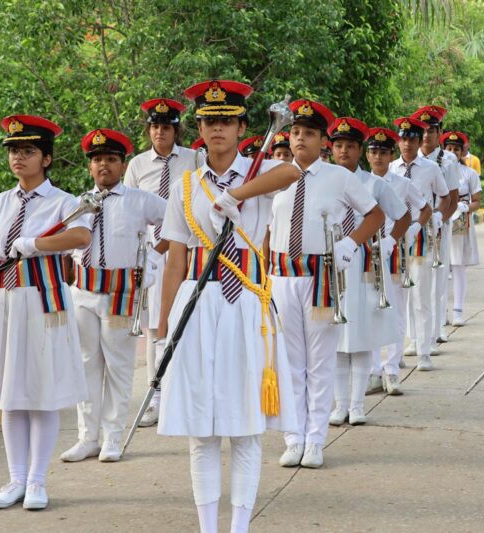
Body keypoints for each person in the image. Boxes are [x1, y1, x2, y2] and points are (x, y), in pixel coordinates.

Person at [156, 79, 299, 533]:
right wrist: (162, 331)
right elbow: (175, 259)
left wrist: (238, 194)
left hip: (245, 310)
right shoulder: (186, 186)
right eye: (208, 121)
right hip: (197, 304)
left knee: (245, 427)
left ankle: (238, 527)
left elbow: (292, 172)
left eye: (226, 121)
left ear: (241, 128)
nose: (216, 128)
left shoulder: (259, 173)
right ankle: (207, 527)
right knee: (202, 429)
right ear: (198, 128)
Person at [0, 115, 92, 510]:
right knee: (11, 395)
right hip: (4, 302)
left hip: (43, 302)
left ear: (47, 159)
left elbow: (81, 236)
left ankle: (37, 481)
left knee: (42, 394)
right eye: (14, 151)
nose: (18, 157)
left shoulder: (64, 203)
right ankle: (15, 479)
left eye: (28, 151)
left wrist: (36, 243)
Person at [269, 99, 384, 469]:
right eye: (296, 132)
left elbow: (375, 214)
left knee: (319, 362)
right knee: (289, 362)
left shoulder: (339, 177)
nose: (301, 139)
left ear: (323, 141)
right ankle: (293, 437)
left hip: (321, 275)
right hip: (281, 273)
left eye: (310, 134)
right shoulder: (274, 174)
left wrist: (351, 242)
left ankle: (315, 439)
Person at [60, 129, 166, 464]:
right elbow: (66, 242)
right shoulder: (78, 202)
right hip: (84, 290)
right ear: (90, 167)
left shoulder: (140, 199)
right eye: (97, 159)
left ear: (122, 164)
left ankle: (113, 437)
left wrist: (153, 257)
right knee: (86, 365)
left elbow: (178, 223)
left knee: (118, 366)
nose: (103, 165)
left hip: (122, 291)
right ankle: (87, 437)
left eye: (111, 159)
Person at [327, 117, 408, 425]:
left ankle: (358, 404)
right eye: (338, 145)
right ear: (331, 148)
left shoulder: (375, 184)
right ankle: (340, 404)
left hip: (365, 265)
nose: (343, 151)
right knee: (336, 338)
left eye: (349, 146)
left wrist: (389, 241)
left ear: (359, 150)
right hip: (333, 264)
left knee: (362, 335)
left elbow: (402, 215)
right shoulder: (325, 180)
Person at [124, 97, 200, 428]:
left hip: (187, 245)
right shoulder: (137, 165)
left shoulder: (194, 158)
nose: (159, 132)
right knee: (156, 326)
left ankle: (183, 391)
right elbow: (127, 209)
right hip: (151, 252)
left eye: (166, 127)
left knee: (187, 319)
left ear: (176, 130)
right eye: (154, 126)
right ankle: (156, 395)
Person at [366, 127, 430, 395]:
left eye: (382, 152)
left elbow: (425, 208)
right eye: (373, 152)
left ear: (390, 155)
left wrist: (413, 229)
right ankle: (373, 371)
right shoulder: (358, 182)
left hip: (393, 252)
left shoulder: (402, 183)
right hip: (367, 253)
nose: (378, 157)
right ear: (367, 155)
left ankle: (391, 369)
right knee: (368, 312)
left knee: (395, 313)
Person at [390, 116, 450, 371]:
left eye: (412, 139)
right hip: (394, 235)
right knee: (396, 299)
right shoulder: (390, 168)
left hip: (419, 233)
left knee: (420, 295)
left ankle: (424, 351)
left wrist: (437, 216)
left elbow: (446, 196)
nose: (407, 144)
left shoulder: (430, 168)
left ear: (418, 141)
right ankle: (398, 352)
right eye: (403, 139)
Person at [414, 105, 459, 347]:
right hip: (414, 227)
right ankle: (418, 336)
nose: (426, 136)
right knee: (416, 282)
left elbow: (452, 198)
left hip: (439, 226)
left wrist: (438, 221)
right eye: (422, 130)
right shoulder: (412, 157)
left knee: (437, 279)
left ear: (439, 132)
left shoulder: (448, 160)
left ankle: (436, 329)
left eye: (431, 130)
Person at [441, 130, 483, 326]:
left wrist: (465, 207)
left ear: (462, 152)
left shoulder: (469, 173)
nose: (452, 152)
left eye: (456, 149)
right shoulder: (437, 170)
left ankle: (458, 311)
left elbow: (477, 201)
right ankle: (441, 312)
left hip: (460, 224)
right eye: (448, 148)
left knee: (458, 267)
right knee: (440, 269)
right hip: (440, 222)